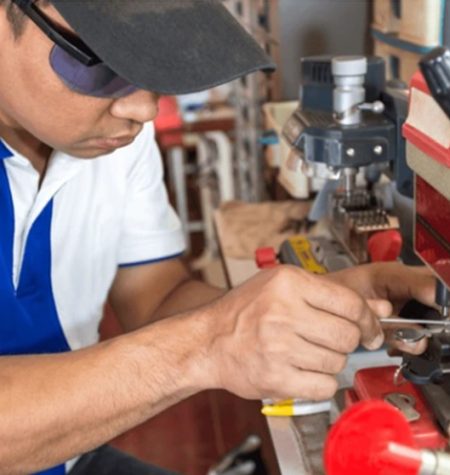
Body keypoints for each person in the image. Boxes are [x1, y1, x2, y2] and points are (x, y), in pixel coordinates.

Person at [0, 1, 435, 474]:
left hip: (67, 454)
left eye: (149, 62)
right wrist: (206, 344)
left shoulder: (115, 141)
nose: (144, 107)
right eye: (103, 63)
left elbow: (156, 296)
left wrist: (309, 308)